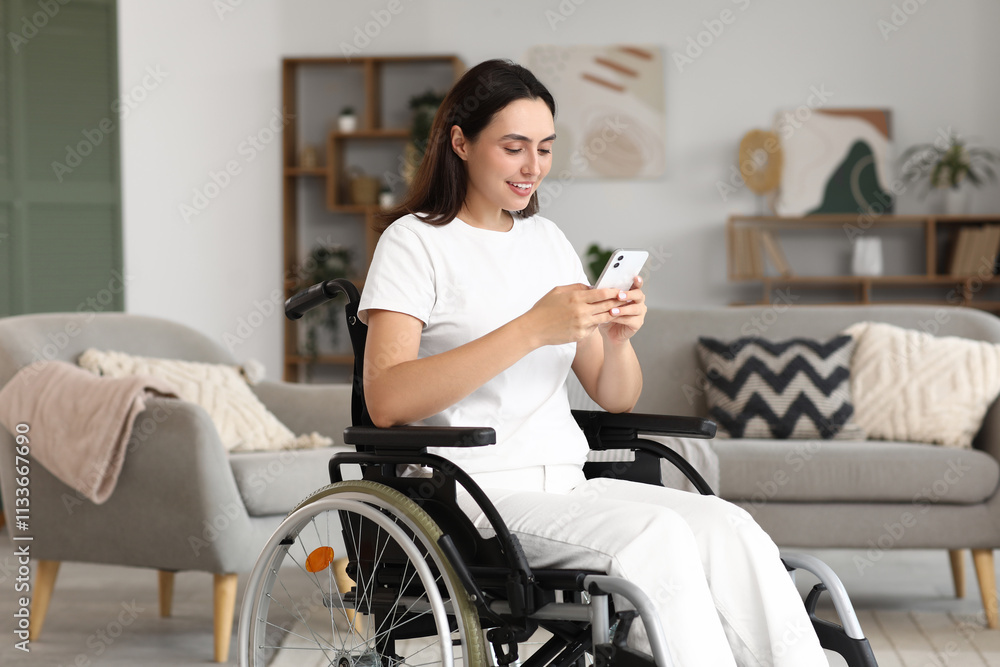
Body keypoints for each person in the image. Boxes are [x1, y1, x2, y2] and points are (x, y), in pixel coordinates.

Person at [357, 58, 828, 666]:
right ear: (460, 142)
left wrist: (620, 338)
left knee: (725, 526)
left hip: (569, 484)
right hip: (475, 496)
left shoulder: (547, 241)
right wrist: (529, 329)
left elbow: (615, 396)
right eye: (514, 147)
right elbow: (387, 399)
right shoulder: (413, 242)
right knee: (657, 539)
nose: (533, 168)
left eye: (546, 149)